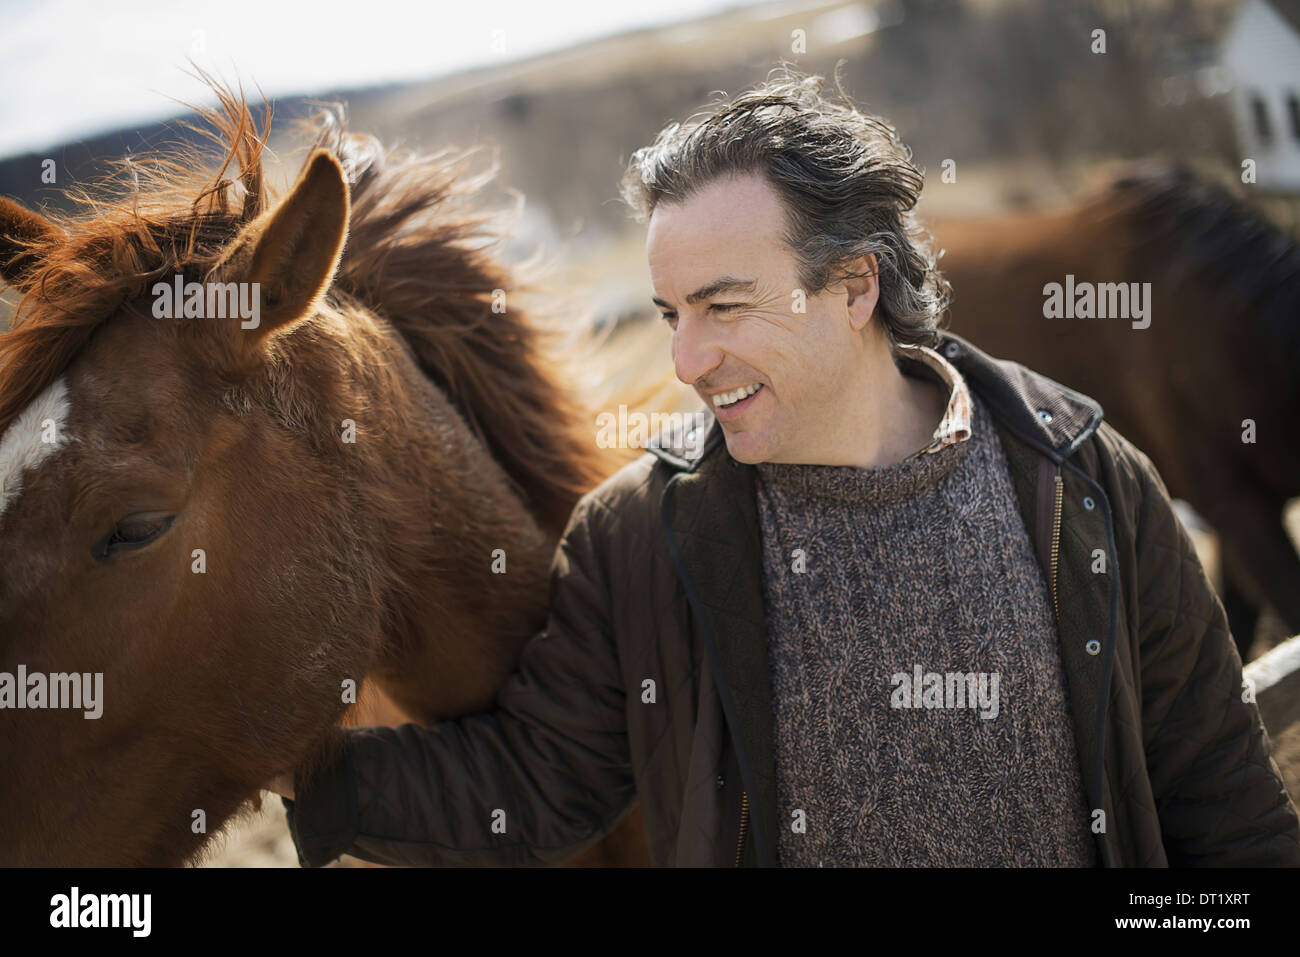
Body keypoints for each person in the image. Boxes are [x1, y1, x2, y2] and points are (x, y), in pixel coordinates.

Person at [268, 67, 1300, 867]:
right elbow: (537, 782)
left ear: (855, 287)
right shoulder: (640, 537)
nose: (683, 360)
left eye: (724, 306)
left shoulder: (1083, 480)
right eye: (673, 315)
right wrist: (299, 767)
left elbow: (1216, 790)